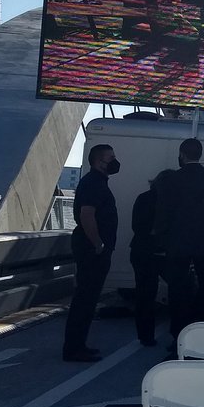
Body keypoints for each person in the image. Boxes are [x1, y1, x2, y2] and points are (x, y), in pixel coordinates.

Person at [155, 137, 204, 344]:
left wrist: (162, 241)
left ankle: (179, 336)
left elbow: (163, 214)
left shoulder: (170, 180)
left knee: (177, 291)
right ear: (200, 154)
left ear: (181, 154)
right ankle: (203, 333)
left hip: (177, 245)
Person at [64, 144, 121, 361]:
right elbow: (87, 215)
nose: (115, 161)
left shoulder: (96, 183)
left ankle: (79, 345)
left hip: (92, 249)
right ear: (99, 161)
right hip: (91, 250)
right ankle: (74, 348)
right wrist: (98, 244)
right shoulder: (94, 184)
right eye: (111, 157)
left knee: (88, 299)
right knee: (85, 299)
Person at [129, 171, 173, 347]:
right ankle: (179, 332)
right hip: (162, 254)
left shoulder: (143, 198)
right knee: (180, 290)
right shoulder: (171, 202)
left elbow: (136, 226)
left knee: (145, 295)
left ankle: (145, 336)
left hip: (141, 251)